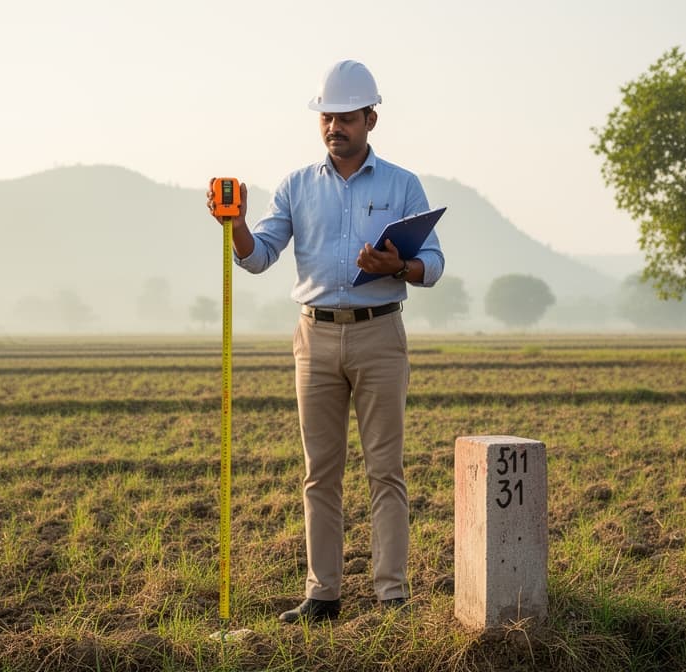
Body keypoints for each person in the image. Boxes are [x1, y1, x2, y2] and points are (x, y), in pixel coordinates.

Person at [205, 59, 444, 624]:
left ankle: (392, 594)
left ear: (371, 119)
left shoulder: (402, 184)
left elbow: (433, 264)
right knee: (320, 471)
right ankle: (323, 594)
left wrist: (399, 264)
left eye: (346, 117)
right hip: (313, 338)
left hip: (381, 333)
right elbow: (259, 256)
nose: (335, 126)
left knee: (385, 469)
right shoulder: (294, 186)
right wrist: (233, 222)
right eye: (327, 117)